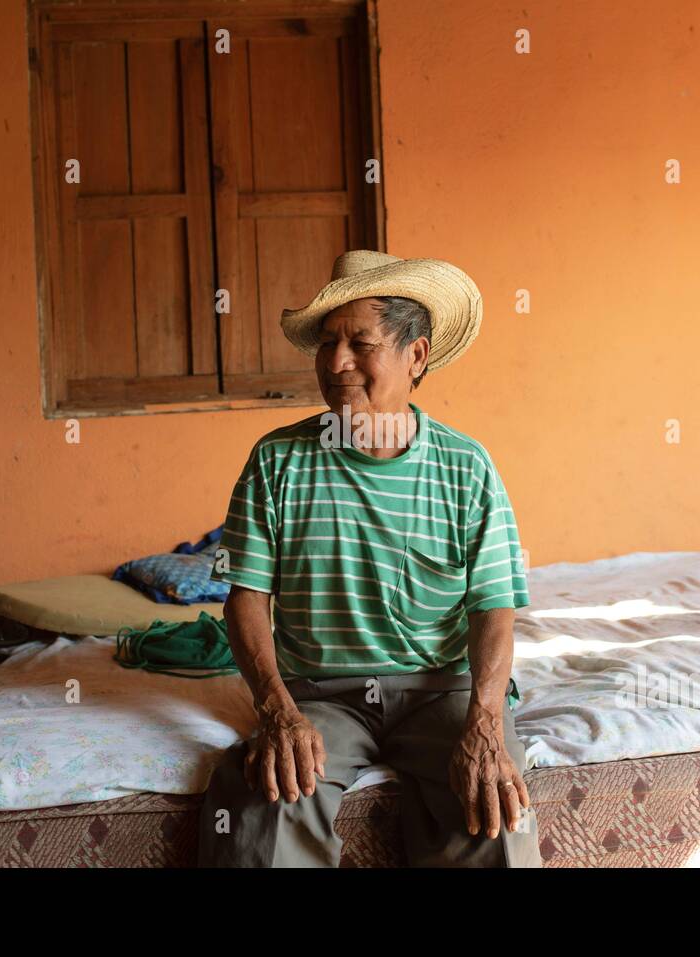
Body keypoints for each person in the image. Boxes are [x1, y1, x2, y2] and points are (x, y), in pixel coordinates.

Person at [199, 250, 539, 867]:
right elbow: (245, 597)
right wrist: (277, 709)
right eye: (327, 344)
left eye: (361, 342)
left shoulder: (467, 468)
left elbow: (494, 608)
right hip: (320, 695)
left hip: (442, 691)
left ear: (417, 356)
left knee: (495, 811)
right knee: (269, 801)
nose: (336, 363)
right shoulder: (277, 461)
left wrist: (485, 722)